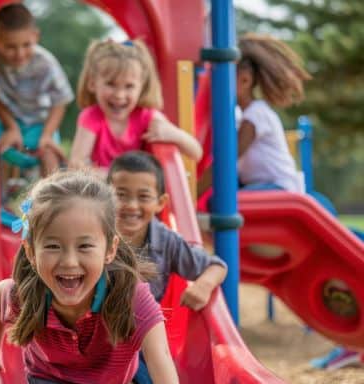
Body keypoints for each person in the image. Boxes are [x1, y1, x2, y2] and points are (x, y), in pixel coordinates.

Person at [0, 170, 183, 384]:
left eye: (85, 246)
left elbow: (161, 357)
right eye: (53, 246)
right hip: (53, 380)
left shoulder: (130, 295)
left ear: (110, 249)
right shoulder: (28, 293)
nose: (69, 261)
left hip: (114, 383)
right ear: (30, 251)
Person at [108, 151, 227, 307]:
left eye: (143, 196)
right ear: (105, 196)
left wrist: (203, 286)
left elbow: (216, 266)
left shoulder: (166, 241)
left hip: (143, 328)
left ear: (161, 202)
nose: (131, 205)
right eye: (121, 195)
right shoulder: (94, 234)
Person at [198, 33, 311, 195]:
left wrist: (193, 192)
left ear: (244, 81)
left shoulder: (256, 114)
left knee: (224, 202)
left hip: (280, 187)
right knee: (221, 198)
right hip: (263, 186)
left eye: (222, 79)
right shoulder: (241, 115)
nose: (216, 85)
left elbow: (228, 158)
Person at [69, 39, 202, 174]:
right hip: (103, 191)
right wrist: (119, 177)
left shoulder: (147, 117)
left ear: (141, 87)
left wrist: (174, 134)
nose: (119, 95)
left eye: (129, 86)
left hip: (138, 192)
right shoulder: (92, 117)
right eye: (110, 84)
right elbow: (76, 164)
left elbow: (196, 153)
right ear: (92, 84)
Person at [0, 3, 74, 176]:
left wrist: (47, 135)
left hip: (37, 121)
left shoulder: (45, 63)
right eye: (10, 47)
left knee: (48, 152)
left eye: (26, 45)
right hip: (3, 119)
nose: (19, 53)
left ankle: (52, 199)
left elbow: (60, 102)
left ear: (35, 36)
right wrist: (12, 127)